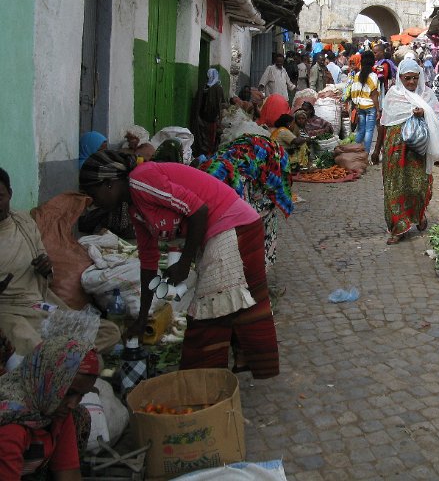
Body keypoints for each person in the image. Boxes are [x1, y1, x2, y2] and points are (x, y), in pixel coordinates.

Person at [79, 151, 279, 378]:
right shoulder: (136, 210)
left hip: (234, 225)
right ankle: (233, 367)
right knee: (235, 304)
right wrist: (142, 318)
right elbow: (148, 264)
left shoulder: (140, 180)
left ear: (109, 184)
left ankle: (199, 383)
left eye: (92, 194)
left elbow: (199, 211)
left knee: (207, 313)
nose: (93, 202)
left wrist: (184, 264)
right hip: (225, 229)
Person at [0, 167, 120, 355]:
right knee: (33, 345)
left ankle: (65, 357)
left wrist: (46, 267)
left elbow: (43, 262)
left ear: (10, 194)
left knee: (110, 332)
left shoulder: (23, 222)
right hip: (9, 312)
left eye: (0, 197)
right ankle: (68, 358)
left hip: (39, 305)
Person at [0, 334, 99, 479]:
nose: (72, 404)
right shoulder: (10, 428)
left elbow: (69, 474)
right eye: (69, 393)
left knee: (80, 415)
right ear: (46, 380)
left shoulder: (54, 410)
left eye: (81, 395)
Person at [371, 59, 439, 244]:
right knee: (394, 186)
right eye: (407, 78)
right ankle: (398, 227)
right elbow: (384, 123)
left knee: (417, 185)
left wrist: (425, 113)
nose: (411, 82)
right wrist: (377, 150)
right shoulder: (393, 95)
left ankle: (418, 214)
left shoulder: (427, 94)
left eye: (415, 78)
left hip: (417, 150)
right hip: (395, 149)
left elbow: (438, 117)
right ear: (400, 78)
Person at [200, 135, 293, 270]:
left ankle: (254, 267)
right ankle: (254, 267)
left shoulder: (235, 169)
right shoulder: (233, 174)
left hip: (252, 183)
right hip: (247, 186)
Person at [349, 50, 380, 151]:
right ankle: (366, 153)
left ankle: (355, 150)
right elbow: (374, 95)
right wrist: (378, 110)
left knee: (361, 130)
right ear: (372, 62)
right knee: (369, 131)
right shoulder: (373, 76)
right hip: (371, 107)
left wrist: (356, 104)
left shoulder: (357, 75)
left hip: (360, 106)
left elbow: (353, 92)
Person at [193, 69, 226, 156]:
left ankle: (202, 153)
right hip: (212, 118)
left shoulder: (203, 88)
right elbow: (222, 104)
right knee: (211, 138)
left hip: (202, 117)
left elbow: (198, 103)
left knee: (202, 137)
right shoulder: (218, 88)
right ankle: (208, 154)